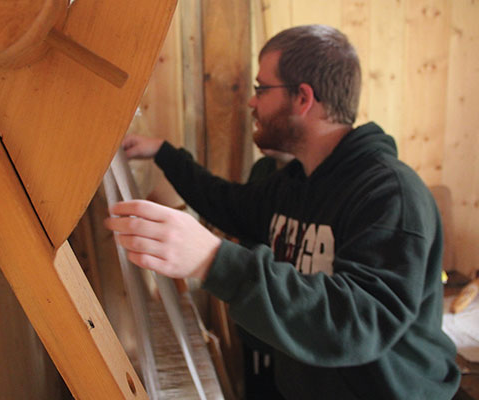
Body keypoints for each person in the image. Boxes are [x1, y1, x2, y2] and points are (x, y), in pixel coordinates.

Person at [104, 25, 460, 399]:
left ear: (303, 98)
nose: (251, 102)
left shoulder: (390, 194)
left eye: (261, 89)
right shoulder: (294, 182)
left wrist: (213, 261)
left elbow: (356, 322)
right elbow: (229, 203)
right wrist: (164, 152)